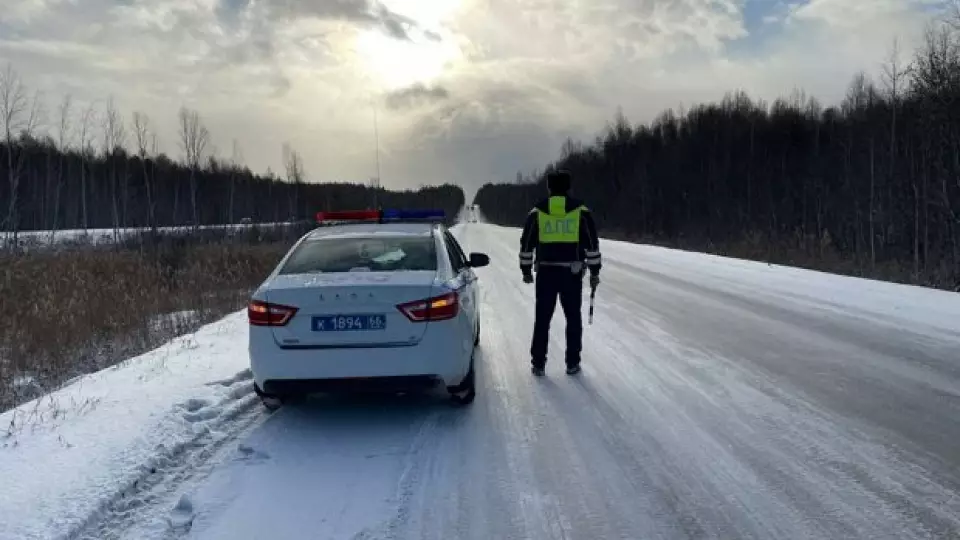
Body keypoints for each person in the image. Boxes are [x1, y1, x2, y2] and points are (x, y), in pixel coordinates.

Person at [519, 170, 601, 376]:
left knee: (542, 319)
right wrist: (594, 271)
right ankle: (572, 363)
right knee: (573, 319)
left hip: (546, 273)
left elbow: (526, 243)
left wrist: (526, 270)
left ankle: (538, 363)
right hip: (571, 273)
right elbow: (592, 244)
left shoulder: (537, 212)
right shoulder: (581, 212)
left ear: (549, 187)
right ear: (568, 186)